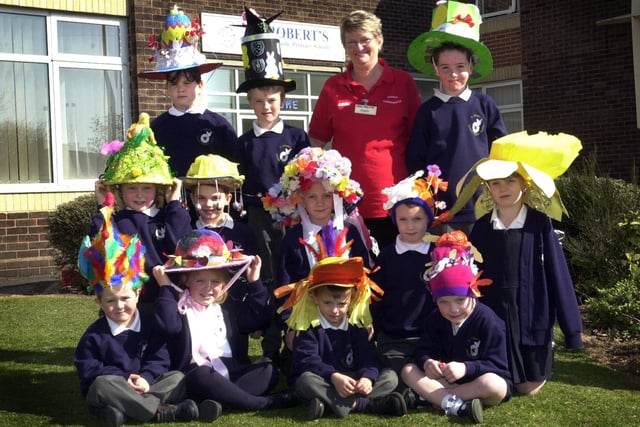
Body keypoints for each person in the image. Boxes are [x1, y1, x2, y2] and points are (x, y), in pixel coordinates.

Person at [448, 130, 585, 396]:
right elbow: (469, 277)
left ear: (524, 184)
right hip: (494, 310)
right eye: (496, 183)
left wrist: (573, 333)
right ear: (487, 189)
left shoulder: (539, 225)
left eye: (510, 181)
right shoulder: (482, 228)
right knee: (499, 376)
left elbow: (559, 277)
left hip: (531, 311)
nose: (503, 189)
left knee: (526, 388)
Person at [75, 200, 220, 426]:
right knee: (103, 386)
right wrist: (125, 378)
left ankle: (124, 411)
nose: (119, 306)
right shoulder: (95, 334)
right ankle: (163, 411)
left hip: (145, 383)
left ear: (138, 295)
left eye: (125, 299)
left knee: (176, 377)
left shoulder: (148, 323)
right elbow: (89, 368)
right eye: (111, 301)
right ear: (99, 302)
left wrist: (146, 377)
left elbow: (159, 356)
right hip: (114, 385)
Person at [309, 10, 422, 251]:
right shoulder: (333, 87)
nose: (359, 47)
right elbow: (317, 140)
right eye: (351, 42)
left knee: (395, 275)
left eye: (365, 40)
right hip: (345, 203)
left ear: (379, 41)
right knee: (354, 275)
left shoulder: (403, 83)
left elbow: (419, 138)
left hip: (395, 203)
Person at [152, 229, 297, 412]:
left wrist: (255, 282)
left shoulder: (227, 308)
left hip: (232, 373)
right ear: (186, 280)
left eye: (215, 282)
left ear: (224, 283)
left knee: (268, 369)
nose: (208, 288)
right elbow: (167, 326)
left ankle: (222, 402)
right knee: (202, 374)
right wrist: (165, 288)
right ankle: (261, 403)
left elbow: (258, 319)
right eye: (200, 281)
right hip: (198, 376)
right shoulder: (178, 308)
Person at [275, 238, 407, 420]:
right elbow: (307, 361)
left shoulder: (356, 328)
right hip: (324, 378)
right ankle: (364, 404)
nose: (335, 310)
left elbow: (368, 359)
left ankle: (330, 405)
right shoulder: (309, 328)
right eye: (328, 303)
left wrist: (367, 378)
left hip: (352, 379)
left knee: (391, 377)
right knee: (305, 381)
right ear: (314, 298)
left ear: (352, 300)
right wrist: (333, 377)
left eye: (341, 304)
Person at [261, 146, 371, 365]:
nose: (319, 203)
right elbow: (285, 285)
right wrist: (291, 325)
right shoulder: (293, 238)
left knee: (360, 360)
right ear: (300, 199)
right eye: (312, 197)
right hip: (307, 315)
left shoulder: (351, 231)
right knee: (303, 363)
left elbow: (365, 276)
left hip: (345, 310)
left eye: (326, 196)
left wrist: (365, 316)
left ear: (337, 197)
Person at [405, 1, 507, 235]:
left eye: (460, 66)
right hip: (442, 212)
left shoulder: (485, 105)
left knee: (485, 268)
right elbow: (416, 161)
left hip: (483, 207)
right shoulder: (427, 111)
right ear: (435, 69)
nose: (453, 74)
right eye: (446, 67)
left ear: (471, 66)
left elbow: (501, 152)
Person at [401, 231, 512, 424]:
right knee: (408, 370)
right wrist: (428, 362)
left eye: (460, 300)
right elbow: (423, 350)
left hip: (477, 383)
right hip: (443, 381)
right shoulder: (435, 318)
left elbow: (499, 366)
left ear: (473, 293)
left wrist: (466, 368)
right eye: (444, 302)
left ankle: (437, 399)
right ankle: (455, 404)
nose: (453, 309)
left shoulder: (489, 321)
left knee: (493, 384)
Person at [235, 7, 310, 285]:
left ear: (282, 99)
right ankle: (266, 321)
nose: (266, 106)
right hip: (257, 215)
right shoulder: (244, 142)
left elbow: (305, 175)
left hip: (292, 213)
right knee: (265, 267)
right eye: (258, 101)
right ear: (250, 103)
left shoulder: (296, 137)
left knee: (291, 262)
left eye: (272, 100)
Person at [91, 113, 192, 308]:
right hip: (130, 304)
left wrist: (173, 204)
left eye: (147, 188)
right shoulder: (118, 221)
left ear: (159, 189)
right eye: (132, 188)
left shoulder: (168, 216)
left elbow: (182, 244)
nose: (139, 195)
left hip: (171, 297)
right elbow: (101, 245)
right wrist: (104, 206)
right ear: (120, 190)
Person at [370, 166, 447, 391]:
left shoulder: (438, 254)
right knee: (395, 375)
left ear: (429, 219)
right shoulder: (386, 255)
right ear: (394, 220)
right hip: (394, 338)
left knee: (433, 371)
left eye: (417, 219)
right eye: (403, 219)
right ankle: (405, 393)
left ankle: (413, 393)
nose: (410, 226)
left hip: (431, 337)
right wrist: (376, 326)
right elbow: (376, 295)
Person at [138, 5, 237, 177]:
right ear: (166, 88)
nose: (181, 89)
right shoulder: (156, 128)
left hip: (210, 202)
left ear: (200, 85)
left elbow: (235, 168)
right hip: (170, 201)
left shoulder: (219, 125)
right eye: (174, 84)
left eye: (187, 82)